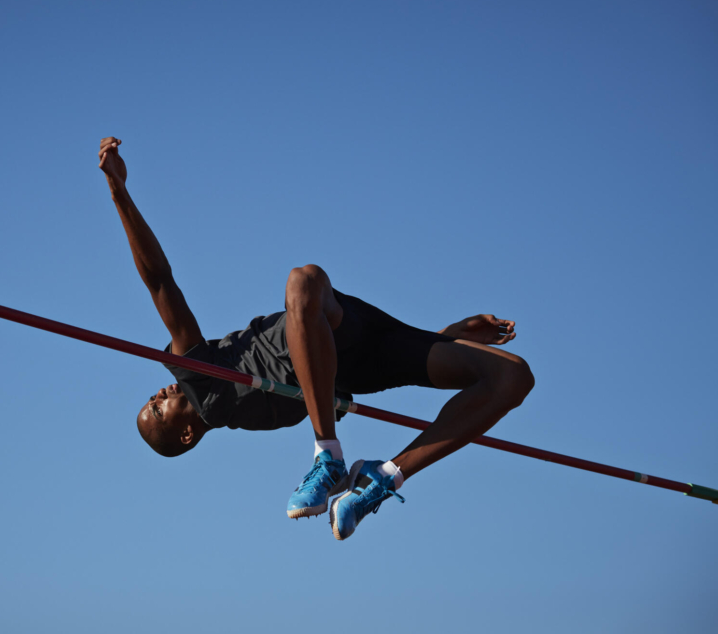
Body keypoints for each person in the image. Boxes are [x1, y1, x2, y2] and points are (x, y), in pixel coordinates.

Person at [99, 137, 535, 540]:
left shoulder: (224, 388)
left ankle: (356, 468)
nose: (159, 391)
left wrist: (443, 337)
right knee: (511, 378)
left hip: (350, 327)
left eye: (152, 397)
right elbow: (160, 282)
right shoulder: (202, 383)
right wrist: (120, 193)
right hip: (356, 358)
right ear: (187, 434)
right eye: (157, 407)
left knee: (511, 377)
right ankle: (368, 472)